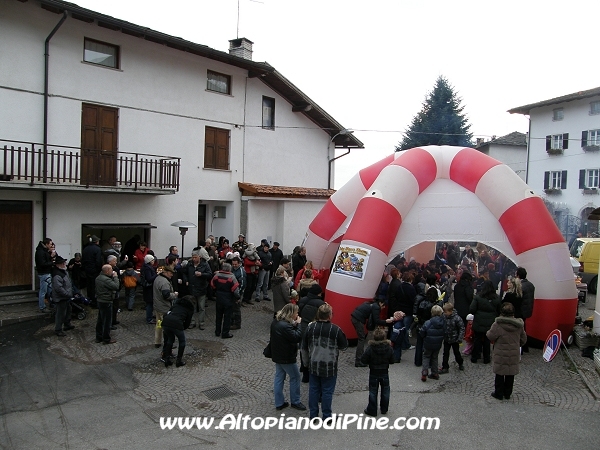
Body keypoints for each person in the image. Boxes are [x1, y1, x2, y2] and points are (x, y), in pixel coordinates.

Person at [301, 303, 348, 421]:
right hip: (330, 365)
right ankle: (327, 416)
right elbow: (344, 346)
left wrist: (306, 363)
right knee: (327, 392)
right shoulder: (335, 330)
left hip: (314, 364)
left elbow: (304, 348)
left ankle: (313, 415)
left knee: (313, 390)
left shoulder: (310, 328)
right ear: (329, 316)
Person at [486, 302, 527, 400]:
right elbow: (523, 339)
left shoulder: (497, 324)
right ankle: (507, 393)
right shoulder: (519, 325)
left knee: (499, 373)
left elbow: (490, 336)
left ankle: (498, 393)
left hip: (500, 353)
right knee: (510, 373)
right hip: (513, 353)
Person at [270, 303, 305, 411]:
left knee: (279, 377)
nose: (297, 314)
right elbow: (296, 337)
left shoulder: (276, 322)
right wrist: (299, 325)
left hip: (277, 354)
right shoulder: (285, 326)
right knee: (295, 377)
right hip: (286, 357)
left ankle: (279, 402)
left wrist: (294, 325)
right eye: (296, 313)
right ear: (291, 313)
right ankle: (295, 401)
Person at [360, 328, 395, 417]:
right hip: (384, 372)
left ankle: (372, 409)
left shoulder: (370, 348)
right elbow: (392, 360)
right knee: (385, 390)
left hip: (374, 372)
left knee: (373, 391)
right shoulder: (389, 348)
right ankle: (384, 408)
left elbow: (363, 360)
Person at [350, 299, 393, 367]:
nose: (384, 307)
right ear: (380, 303)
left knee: (362, 338)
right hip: (358, 319)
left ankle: (360, 358)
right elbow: (377, 320)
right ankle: (358, 360)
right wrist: (386, 322)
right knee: (361, 339)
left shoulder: (372, 304)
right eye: (384, 305)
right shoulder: (376, 307)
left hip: (355, 317)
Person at [469, 279, 501, 364]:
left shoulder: (478, 297)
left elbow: (472, 309)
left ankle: (474, 357)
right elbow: (499, 310)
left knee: (477, 339)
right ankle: (486, 358)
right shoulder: (496, 298)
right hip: (491, 322)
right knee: (487, 340)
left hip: (479, 321)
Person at [161, 295, 195, 368]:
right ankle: (178, 361)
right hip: (177, 324)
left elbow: (168, 312)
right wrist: (182, 328)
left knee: (170, 339)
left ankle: (167, 358)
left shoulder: (176, 305)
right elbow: (187, 322)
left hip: (166, 322)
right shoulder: (189, 309)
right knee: (182, 341)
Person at [183, 248, 212, 330]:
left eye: (195, 257)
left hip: (201, 288)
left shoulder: (205, 264)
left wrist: (202, 274)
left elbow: (210, 274)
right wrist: (186, 280)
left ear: (199, 257)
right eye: (193, 257)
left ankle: (201, 322)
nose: (194, 259)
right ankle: (192, 322)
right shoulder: (189, 264)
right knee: (192, 307)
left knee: (201, 307)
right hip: (191, 288)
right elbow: (184, 273)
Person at [211, 262, 240, 339]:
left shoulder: (217, 276)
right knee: (227, 317)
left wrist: (216, 291)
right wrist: (237, 298)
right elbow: (236, 290)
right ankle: (225, 333)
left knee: (218, 316)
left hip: (219, 298)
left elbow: (212, 285)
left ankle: (217, 331)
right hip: (228, 298)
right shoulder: (231, 277)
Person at [153, 266, 178, 348]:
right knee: (167, 327)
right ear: (166, 272)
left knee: (159, 324)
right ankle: (168, 343)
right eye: (171, 273)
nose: (172, 275)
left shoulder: (157, 278)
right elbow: (166, 295)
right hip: (164, 308)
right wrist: (174, 295)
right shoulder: (164, 282)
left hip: (157, 307)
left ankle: (157, 341)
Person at [95, 264, 119, 344]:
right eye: (111, 270)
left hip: (100, 300)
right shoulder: (106, 280)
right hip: (106, 301)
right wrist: (115, 277)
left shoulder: (98, 278)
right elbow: (116, 286)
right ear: (107, 271)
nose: (112, 271)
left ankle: (99, 337)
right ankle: (106, 338)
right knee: (107, 321)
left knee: (100, 320)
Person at [419, 304, 445, 381]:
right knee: (435, 357)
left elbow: (422, 332)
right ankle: (435, 372)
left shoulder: (428, 322)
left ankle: (424, 371)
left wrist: (424, 337)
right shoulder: (443, 322)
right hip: (438, 343)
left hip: (428, 342)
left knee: (426, 356)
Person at [52, 256, 75, 336]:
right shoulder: (57, 275)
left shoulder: (64, 272)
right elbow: (58, 288)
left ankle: (67, 324)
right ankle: (58, 329)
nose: (65, 264)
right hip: (61, 298)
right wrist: (67, 294)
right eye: (63, 263)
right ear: (59, 264)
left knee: (68, 310)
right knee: (60, 314)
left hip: (66, 296)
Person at [439, 303, 465, 373]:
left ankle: (460, 363)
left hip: (455, 339)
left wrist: (460, 338)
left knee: (456, 352)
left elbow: (461, 328)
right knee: (445, 353)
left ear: (450, 311)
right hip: (447, 338)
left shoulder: (457, 318)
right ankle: (445, 367)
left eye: (446, 312)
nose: (445, 313)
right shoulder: (443, 316)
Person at [515, 266, 535, 353]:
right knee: (523, 328)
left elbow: (518, 299)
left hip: (521, 310)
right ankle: (525, 346)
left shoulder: (521, 286)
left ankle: (521, 347)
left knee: (520, 329)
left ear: (518, 275)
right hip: (527, 310)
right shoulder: (530, 285)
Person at [35, 237, 55, 312]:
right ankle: (42, 307)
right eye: (50, 244)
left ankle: (51, 304)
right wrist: (52, 263)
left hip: (46, 273)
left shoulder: (43, 251)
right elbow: (42, 263)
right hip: (44, 273)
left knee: (50, 290)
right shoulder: (40, 252)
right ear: (46, 244)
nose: (51, 245)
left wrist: (51, 257)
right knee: (43, 291)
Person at [140, 254, 157, 324]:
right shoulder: (147, 268)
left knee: (150, 303)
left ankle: (149, 316)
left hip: (149, 288)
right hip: (148, 288)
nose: (153, 261)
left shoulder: (147, 267)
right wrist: (157, 274)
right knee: (149, 303)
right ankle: (149, 318)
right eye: (152, 260)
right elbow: (149, 279)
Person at [230, 256, 246, 329]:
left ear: (239, 263)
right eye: (233, 264)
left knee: (236, 309)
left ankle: (237, 324)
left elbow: (242, 284)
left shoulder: (242, 271)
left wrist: (238, 295)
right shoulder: (232, 269)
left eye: (235, 264)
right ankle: (231, 321)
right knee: (232, 308)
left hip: (237, 293)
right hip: (231, 292)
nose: (234, 266)